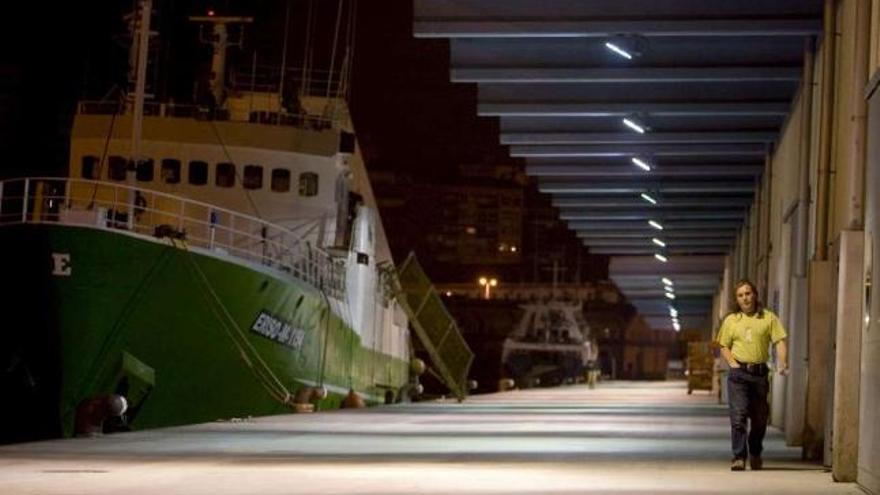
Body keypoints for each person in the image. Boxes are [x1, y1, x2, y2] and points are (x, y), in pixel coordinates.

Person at [715, 279, 788, 471]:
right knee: (738, 417)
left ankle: (755, 450)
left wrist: (782, 363)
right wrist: (733, 364)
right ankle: (739, 456)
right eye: (740, 295)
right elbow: (723, 345)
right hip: (739, 375)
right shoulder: (731, 320)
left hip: (759, 376)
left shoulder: (768, 318)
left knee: (759, 419)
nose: (745, 298)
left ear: (754, 295)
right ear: (736, 299)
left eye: (748, 294)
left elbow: (779, 341)